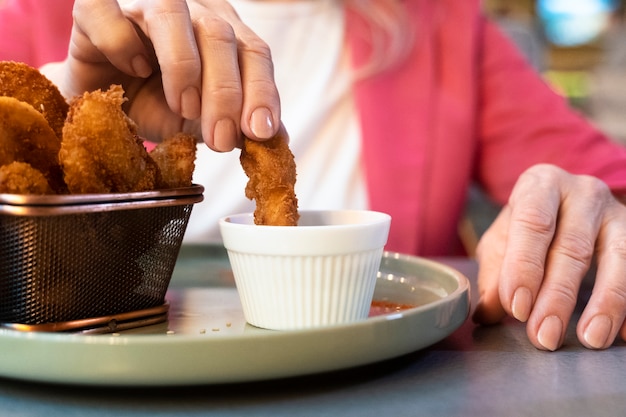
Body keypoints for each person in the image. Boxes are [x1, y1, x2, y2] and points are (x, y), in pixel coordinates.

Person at [2, 0, 626, 353]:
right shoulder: (40, 12)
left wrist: (579, 210)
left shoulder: (446, 28)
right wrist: (64, 101)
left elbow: (605, 183)